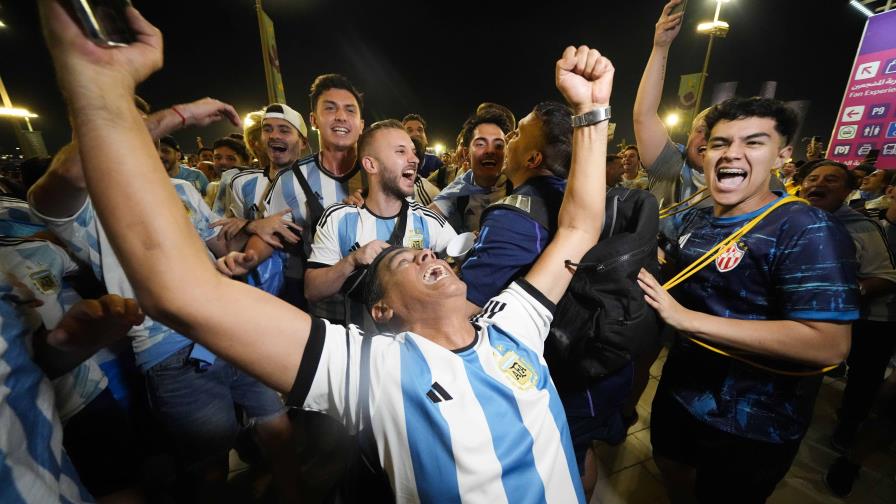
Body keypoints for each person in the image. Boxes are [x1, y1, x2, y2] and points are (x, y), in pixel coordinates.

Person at [37, 4, 613, 498]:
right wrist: (103, 94)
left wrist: (591, 110)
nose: (423, 254)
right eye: (399, 261)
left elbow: (579, 227)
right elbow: (184, 292)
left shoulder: (514, 321)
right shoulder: (374, 371)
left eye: (423, 255)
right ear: (382, 311)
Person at [637, 97, 859, 503]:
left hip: (754, 421)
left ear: (782, 156)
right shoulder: (698, 218)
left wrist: (687, 319)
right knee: (670, 465)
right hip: (681, 392)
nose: (731, 153)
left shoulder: (806, 227)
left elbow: (829, 343)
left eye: (753, 142)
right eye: (720, 144)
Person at [800, 161, 896, 452]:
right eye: (813, 178)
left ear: (847, 191)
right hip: (818, 317)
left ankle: (848, 429)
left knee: (863, 380)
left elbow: (887, 277)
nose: (819, 183)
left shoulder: (862, 226)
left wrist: (848, 291)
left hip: (871, 319)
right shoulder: (792, 218)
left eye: (831, 180)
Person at [429, 110, 513, 232]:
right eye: (481, 144)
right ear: (467, 153)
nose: (490, 151)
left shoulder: (518, 188)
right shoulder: (459, 191)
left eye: (498, 145)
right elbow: (421, 223)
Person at [402, 113, 444, 178]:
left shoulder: (435, 162)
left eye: (420, 130)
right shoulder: (393, 163)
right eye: (410, 130)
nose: (416, 133)